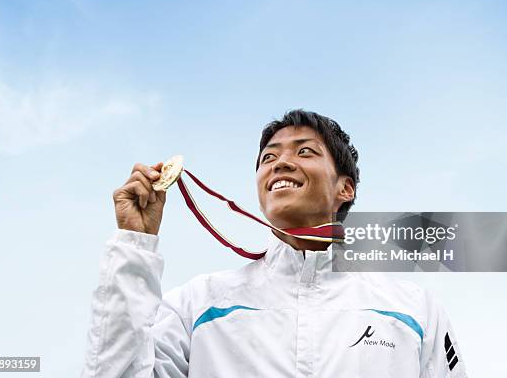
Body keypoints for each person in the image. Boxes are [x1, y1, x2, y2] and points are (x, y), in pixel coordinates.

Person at [81, 110, 468, 377]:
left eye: (304, 151)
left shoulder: (412, 310)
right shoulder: (199, 306)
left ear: (344, 188)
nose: (280, 163)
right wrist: (135, 244)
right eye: (268, 157)